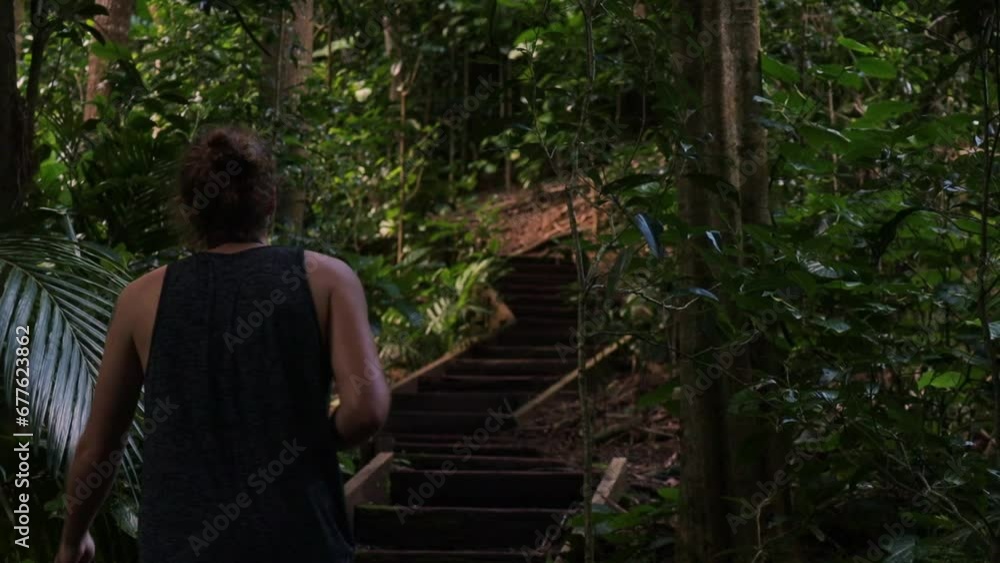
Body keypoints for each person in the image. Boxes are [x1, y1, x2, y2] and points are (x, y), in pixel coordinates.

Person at [54, 125, 390, 563]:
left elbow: (99, 446)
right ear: (270, 202)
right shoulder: (326, 279)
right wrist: (311, 439)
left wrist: (73, 538)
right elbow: (367, 410)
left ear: (190, 211)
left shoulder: (142, 298)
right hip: (300, 542)